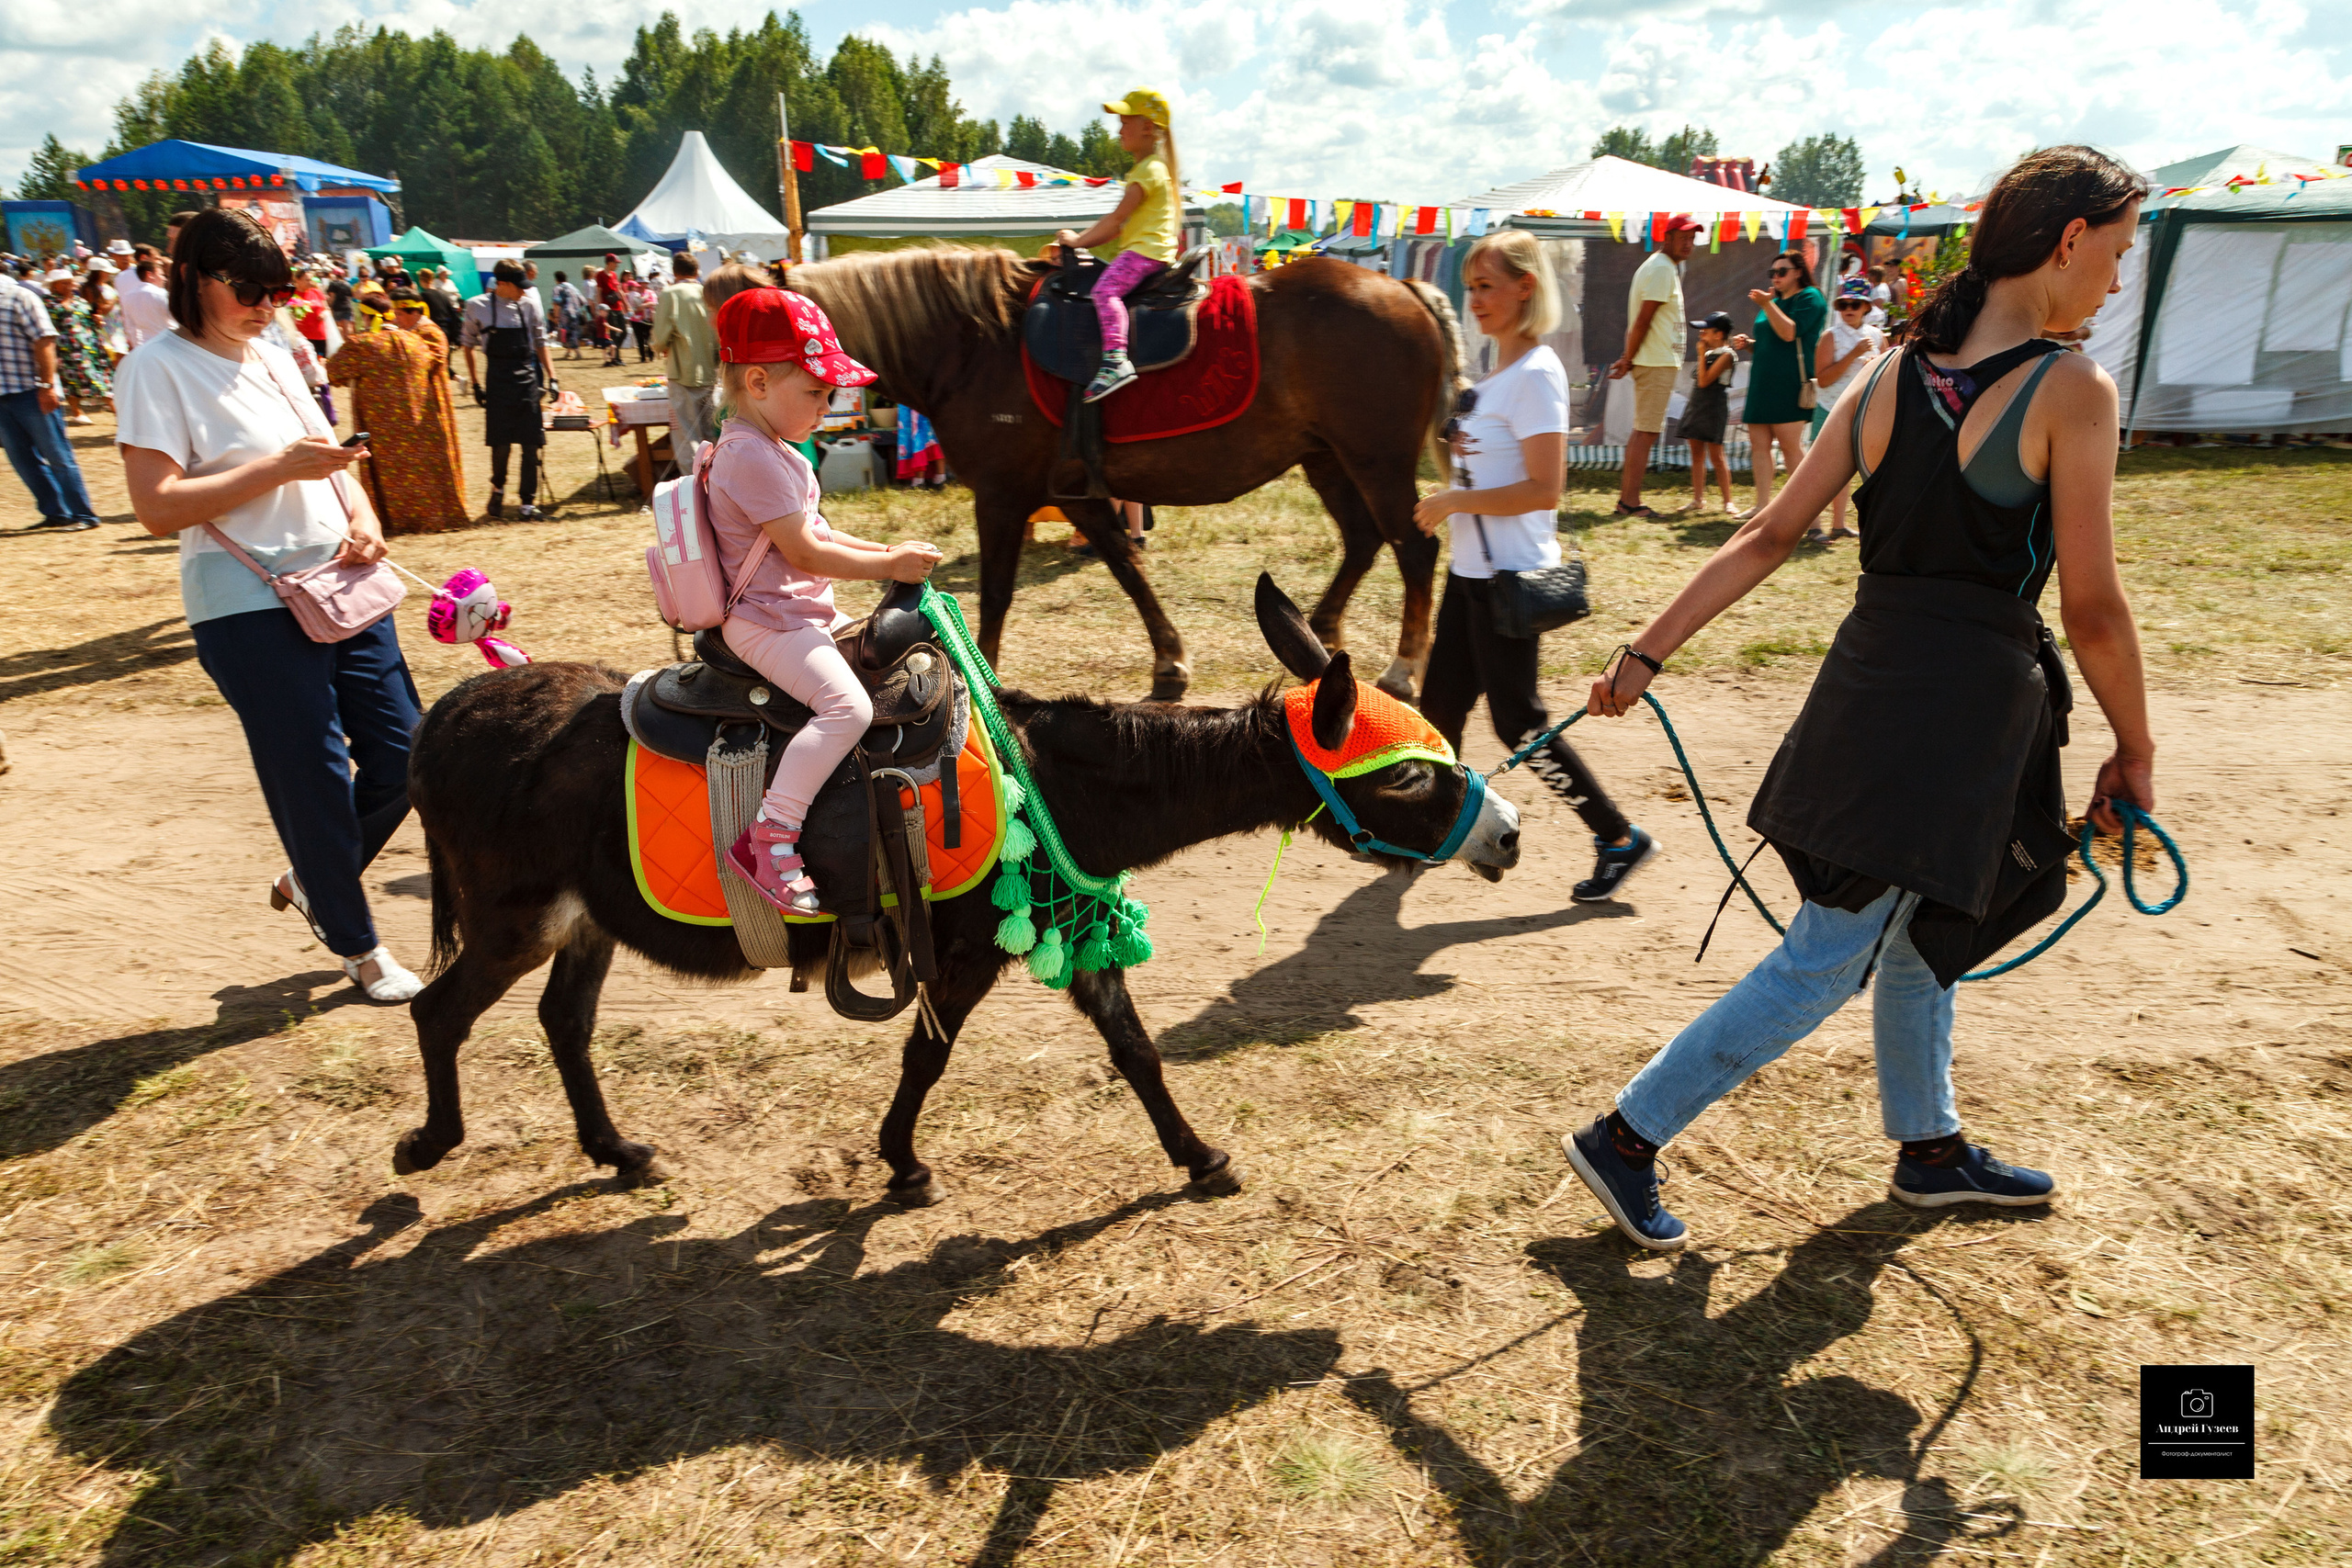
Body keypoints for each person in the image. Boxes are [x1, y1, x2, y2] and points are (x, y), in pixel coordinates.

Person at [1562, 145, 2155, 1249]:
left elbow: (1765, 533)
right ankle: (1626, 1136)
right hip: (1959, 712)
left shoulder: (1888, 370)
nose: (2116, 281)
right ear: (2068, 242)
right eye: (2116, 255)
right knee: (1830, 951)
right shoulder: (2072, 388)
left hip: (1869, 683)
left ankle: (1927, 1149)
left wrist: (1646, 653)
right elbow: (2092, 608)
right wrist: (2135, 746)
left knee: (1924, 927)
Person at [115, 209, 426, 1002]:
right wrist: (279, 469)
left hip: (340, 580)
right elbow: (157, 506)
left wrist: (361, 513)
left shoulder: (279, 349)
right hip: (244, 602)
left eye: (280, 288)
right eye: (250, 288)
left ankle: (320, 876)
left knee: (408, 755)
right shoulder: (154, 369)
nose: (268, 303)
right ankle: (358, 944)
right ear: (195, 280)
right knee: (312, 777)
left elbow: (326, 459)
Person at [1412, 229, 1657, 904]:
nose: (1477, 298)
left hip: (1509, 577)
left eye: (1488, 285)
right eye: (1471, 287)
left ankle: (1617, 836)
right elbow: (1477, 466)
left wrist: (1457, 496)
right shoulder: (1489, 383)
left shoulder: (1537, 376)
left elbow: (1547, 490)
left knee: (1518, 721)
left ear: (1527, 286)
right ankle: (1441, 826)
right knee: (1440, 708)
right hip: (1471, 575)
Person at [701, 288, 944, 911]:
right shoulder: (750, 458)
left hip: (793, 609)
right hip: (766, 622)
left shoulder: (770, 448)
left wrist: (888, 551)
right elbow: (806, 552)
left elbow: (819, 534)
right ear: (757, 381)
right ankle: (770, 836)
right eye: (815, 391)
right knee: (847, 709)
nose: (827, 404)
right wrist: (888, 564)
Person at [1051, 88, 1181, 402]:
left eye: (1125, 122)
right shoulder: (1148, 169)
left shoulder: (1148, 170)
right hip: (1147, 250)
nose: (1119, 130)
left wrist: (1078, 241)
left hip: (1145, 252)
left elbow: (1115, 222)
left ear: (1147, 127)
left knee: (1104, 291)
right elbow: (1114, 223)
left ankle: (1115, 361)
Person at [326, 288, 468, 533]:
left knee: (393, 474)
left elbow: (334, 372)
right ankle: (429, 518)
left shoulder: (363, 344)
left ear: (367, 316)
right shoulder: (417, 342)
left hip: (383, 425)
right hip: (418, 420)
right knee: (420, 470)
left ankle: (397, 521)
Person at [1606, 213, 1702, 519]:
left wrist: (1628, 357)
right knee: (1644, 432)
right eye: (1683, 237)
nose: (1689, 243)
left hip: (1656, 359)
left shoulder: (1662, 267)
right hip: (1655, 361)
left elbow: (1640, 319)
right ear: (1668, 237)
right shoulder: (1661, 269)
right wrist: (1628, 357)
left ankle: (1628, 499)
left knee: (1643, 432)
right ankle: (1629, 502)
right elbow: (1643, 319)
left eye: (1692, 238)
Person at [0, 274, 100, 528]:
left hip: (31, 391)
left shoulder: (19, 296)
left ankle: (83, 514)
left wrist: (47, 386)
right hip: (4, 396)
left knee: (58, 456)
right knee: (22, 461)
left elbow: (45, 340)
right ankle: (55, 512)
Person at [459, 259, 555, 521]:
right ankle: (498, 488)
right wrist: (476, 383)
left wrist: (552, 377)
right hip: (497, 379)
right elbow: (467, 345)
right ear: (501, 284)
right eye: (519, 286)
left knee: (531, 442)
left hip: (527, 378)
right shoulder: (476, 306)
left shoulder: (529, 305)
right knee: (500, 444)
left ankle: (527, 503)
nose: (524, 291)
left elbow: (541, 342)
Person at [1740, 249, 1826, 514]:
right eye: (1772, 273)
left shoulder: (1810, 297)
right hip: (1762, 382)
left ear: (1798, 272)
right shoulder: (1774, 302)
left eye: (1782, 271)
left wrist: (1767, 304)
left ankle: (1803, 509)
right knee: (1759, 445)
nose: (1776, 277)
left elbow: (1790, 333)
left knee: (1790, 447)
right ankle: (1762, 506)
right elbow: (1773, 341)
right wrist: (1751, 345)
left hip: (1789, 383)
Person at [1806, 284, 1885, 541]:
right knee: (1818, 471)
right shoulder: (1830, 336)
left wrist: (1875, 365)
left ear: (1866, 307)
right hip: (1830, 409)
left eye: (1854, 304)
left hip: (1862, 410)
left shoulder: (1876, 335)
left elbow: (1888, 372)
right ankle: (1813, 527)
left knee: (1846, 470)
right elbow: (1824, 378)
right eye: (1843, 305)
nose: (1848, 309)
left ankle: (1839, 525)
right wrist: (1853, 355)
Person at [650, 251, 718, 462]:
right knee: (711, 432)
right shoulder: (709, 293)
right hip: (710, 369)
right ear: (696, 271)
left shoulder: (670, 294)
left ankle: (693, 486)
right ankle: (718, 481)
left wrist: (659, 346)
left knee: (687, 435)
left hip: (682, 372)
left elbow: (659, 338)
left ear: (674, 272)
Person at [1681, 310, 1739, 513]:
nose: (1701, 334)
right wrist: (1702, 354)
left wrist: (1699, 354)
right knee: (1696, 454)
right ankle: (1698, 499)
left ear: (1718, 334)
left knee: (1717, 455)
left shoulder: (1727, 355)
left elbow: (1705, 381)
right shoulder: (1707, 353)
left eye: (1706, 330)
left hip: (1714, 406)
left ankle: (1728, 501)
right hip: (1697, 404)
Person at [43, 267, 112, 423]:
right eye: (64, 283)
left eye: (70, 283)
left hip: (89, 346)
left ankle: (82, 411)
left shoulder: (79, 301)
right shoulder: (48, 302)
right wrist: (67, 300)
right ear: (54, 286)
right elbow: (58, 315)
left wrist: (96, 320)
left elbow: (87, 319)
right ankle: (81, 411)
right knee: (75, 380)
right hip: (67, 349)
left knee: (97, 376)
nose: (69, 286)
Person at [115, 254, 174, 352]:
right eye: (161, 275)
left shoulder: (128, 297)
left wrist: (138, 348)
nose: (164, 279)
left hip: (146, 347)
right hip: (169, 345)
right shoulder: (162, 294)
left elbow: (130, 327)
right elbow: (175, 319)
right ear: (150, 275)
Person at [625, 272, 658, 362]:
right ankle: (642, 357)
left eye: (645, 283)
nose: (643, 285)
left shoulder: (650, 292)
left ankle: (651, 355)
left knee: (649, 338)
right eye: (641, 283)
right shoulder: (632, 294)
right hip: (636, 320)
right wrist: (646, 305)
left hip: (648, 319)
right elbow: (629, 307)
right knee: (639, 339)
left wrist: (643, 306)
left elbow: (654, 303)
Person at [552, 271, 585, 359]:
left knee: (568, 333)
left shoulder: (557, 288)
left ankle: (578, 353)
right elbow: (583, 301)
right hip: (576, 312)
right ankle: (569, 352)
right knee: (573, 332)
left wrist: (556, 316)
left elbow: (556, 303)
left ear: (556, 280)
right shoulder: (573, 287)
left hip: (565, 314)